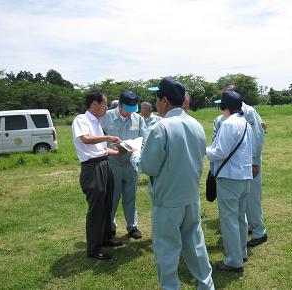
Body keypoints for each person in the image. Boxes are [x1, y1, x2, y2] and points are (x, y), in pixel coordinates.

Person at [135, 77, 214, 289]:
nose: (157, 103)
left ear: (166, 101)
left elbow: (149, 167)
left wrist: (136, 156)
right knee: (195, 245)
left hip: (168, 200)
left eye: (158, 98)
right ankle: (206, 285)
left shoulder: (160, 128)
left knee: (167, 251)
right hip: (190, 196)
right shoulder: (196, 125)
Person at [206, 90, 255, 272]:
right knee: (240, 218)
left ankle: (234, 261)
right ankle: (241, 253)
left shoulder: (228, 124)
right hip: (244, 177)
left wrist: (203, 150)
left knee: (229, 221)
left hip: (229, 178)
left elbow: (219, 152)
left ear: (223, 107)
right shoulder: (245, 123)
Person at [213, 86, 268, 248]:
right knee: (243, 202)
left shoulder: (249, 111)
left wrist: (255, 162)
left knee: (253, 198)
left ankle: (259, 232)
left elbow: (257, 137)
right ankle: (250, 227)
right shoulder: (226, 115)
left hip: (249, 163)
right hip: (236, 166)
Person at [72, 90, 123, 260]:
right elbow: (85, 139)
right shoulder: (81, 119)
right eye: (105, 104)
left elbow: (100, 150)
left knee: (107, 203)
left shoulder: (97, 122)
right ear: (94, 104)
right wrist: (108, 136)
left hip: (104, 164)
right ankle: (93, 249)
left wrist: (119, 152)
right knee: (96, 209)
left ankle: (106, 238)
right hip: (92, 169)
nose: (106, 107)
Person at [101, 90, 146, 239]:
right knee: (112, 197)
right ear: (119, 104)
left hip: (131, 164)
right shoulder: (106, 117)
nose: (129, 113)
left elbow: (143, 138)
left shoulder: (138, 119)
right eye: (126, 109)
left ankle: (132, 227)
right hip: (113, 163)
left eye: (132, 110)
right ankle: (110, 226)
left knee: (130, 196)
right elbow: (100, 141)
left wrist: (136, 148)